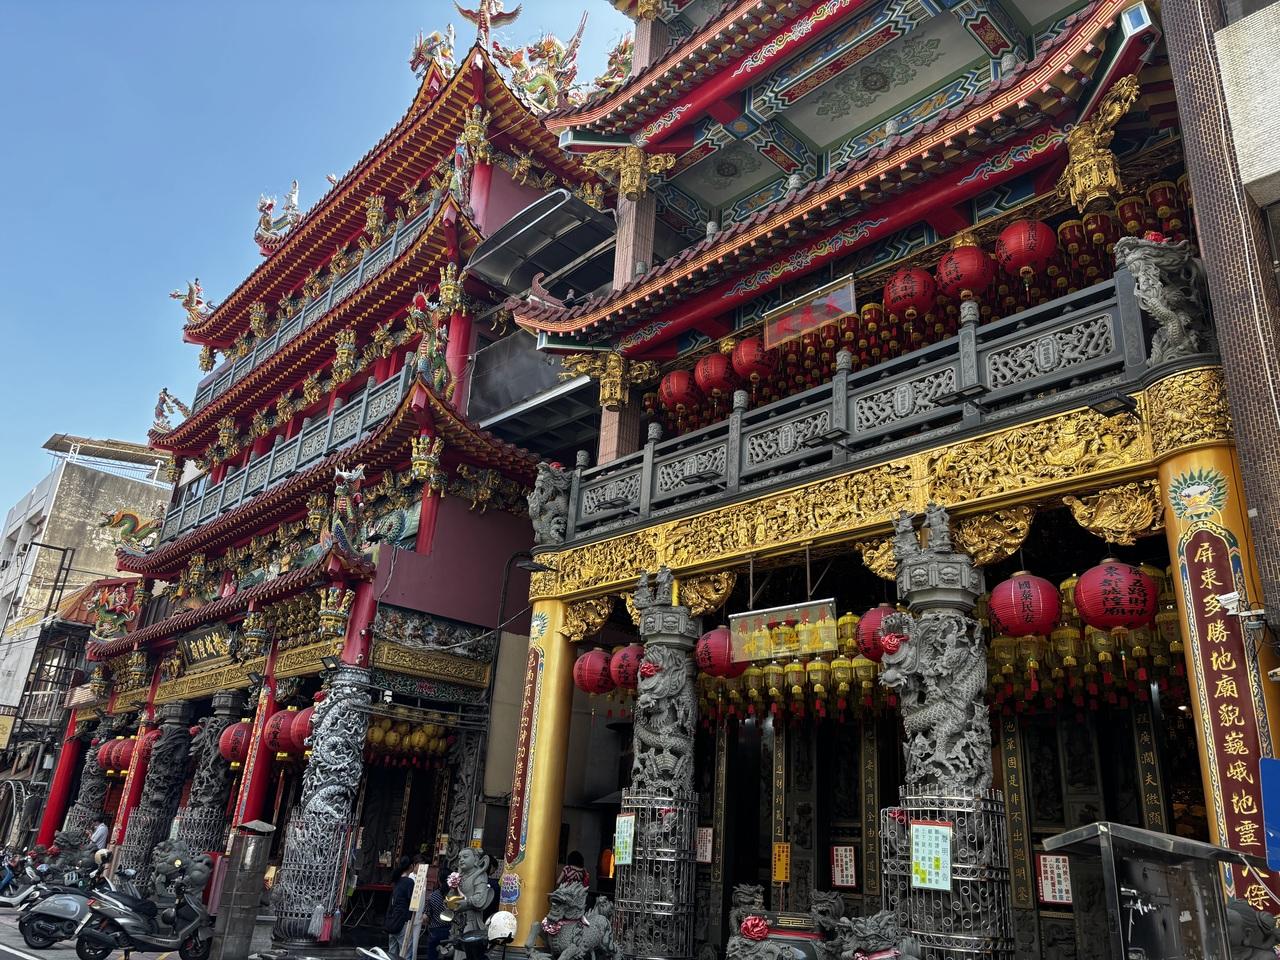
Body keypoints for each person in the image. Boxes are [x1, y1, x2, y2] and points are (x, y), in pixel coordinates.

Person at [382, 855, 417, 959]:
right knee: (405, 953)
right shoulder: (409, 882)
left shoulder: (397, 880)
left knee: (392, 953)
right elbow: (413, 901)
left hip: (393, 919)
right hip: (403, 921)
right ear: (411, 866)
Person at [425, 863, 450, 960]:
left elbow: (426, 916)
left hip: (435, 931)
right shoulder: (454, 896)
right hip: (450, 932)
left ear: (439, 880)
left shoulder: (433, 896)